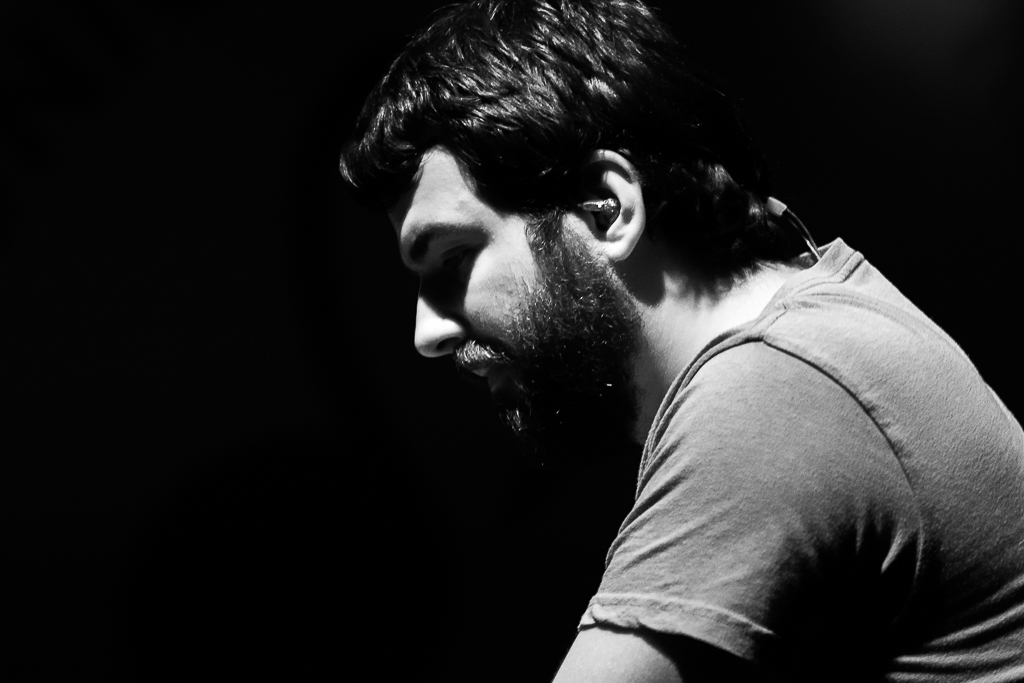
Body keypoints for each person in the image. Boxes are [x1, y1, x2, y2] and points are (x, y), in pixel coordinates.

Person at [338, 1, 1024, 681]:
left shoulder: (772, 397)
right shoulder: (817, 322)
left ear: (607, 209)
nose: (427, 334)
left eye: (454, 258)